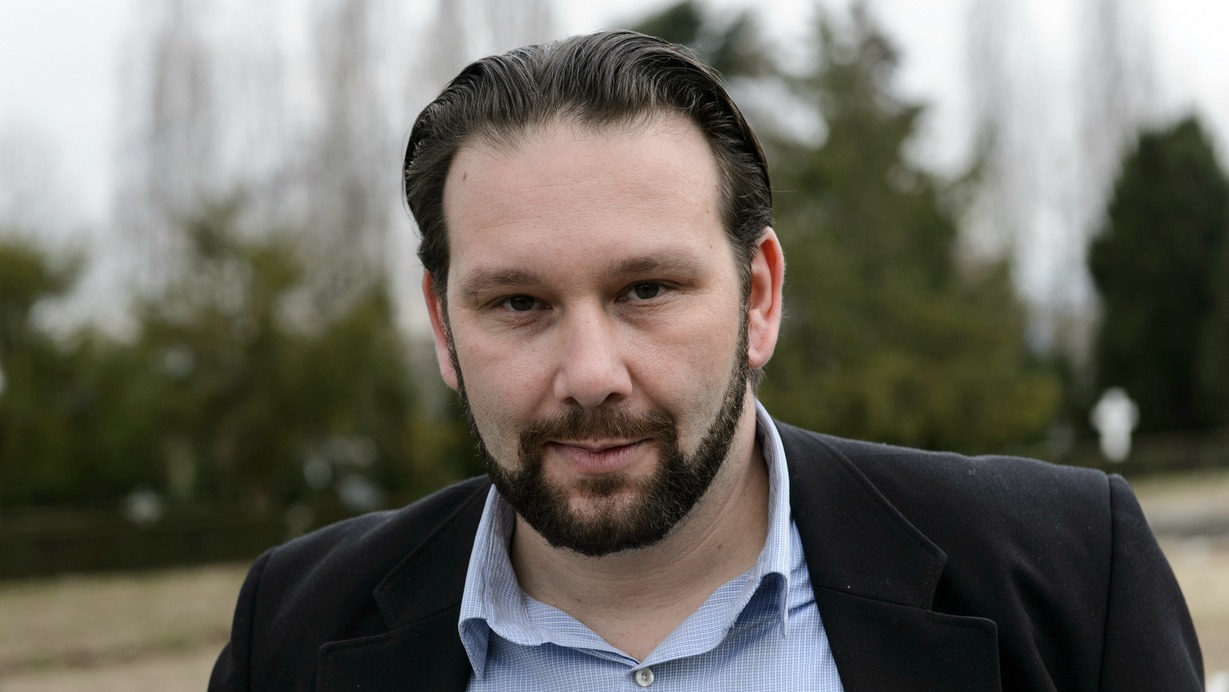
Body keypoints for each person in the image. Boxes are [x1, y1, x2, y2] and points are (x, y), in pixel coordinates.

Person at [210, 30, 1203, 691]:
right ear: (441, 322)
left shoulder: (1064, 580)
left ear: (758, 296)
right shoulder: (293, 635)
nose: (590, 371)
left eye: (645, 289)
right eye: (519, 302)